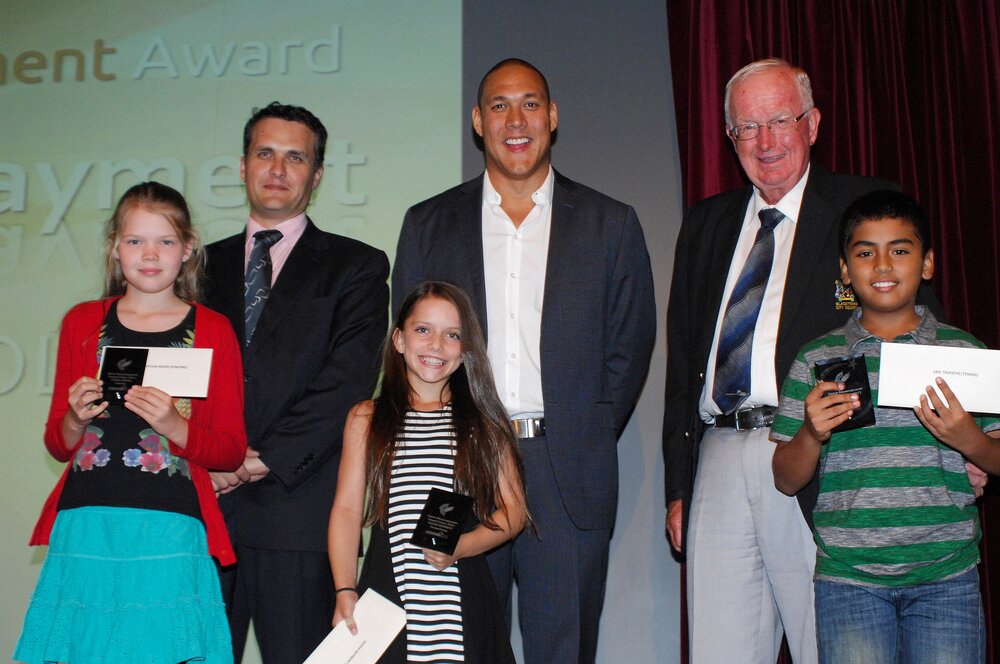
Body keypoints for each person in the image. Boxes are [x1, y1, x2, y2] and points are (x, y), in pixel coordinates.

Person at [661, 58, 948, 663]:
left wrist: (952, 449)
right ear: (730, 138)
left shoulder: (865, 207)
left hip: (826, 457)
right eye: (747, 128)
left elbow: (920, 331)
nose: (765, 142)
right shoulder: (707, 224)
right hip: (718, 456)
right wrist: (678, 486)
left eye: (780, 121)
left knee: (834, 646)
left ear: (812, 123)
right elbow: (683, 363)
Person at [393, 59, 656, 663]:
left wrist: (581, 431)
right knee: (458, 650)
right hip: (455, 463)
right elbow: (410, 344)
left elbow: (629, 347)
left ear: (553, 116)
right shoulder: (428, 223)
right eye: (500, 105)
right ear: (477, 121)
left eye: (531, 103)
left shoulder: (609, 223)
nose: (516, 120)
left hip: (567, 475)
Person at [14, 181, 246, 663]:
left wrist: (175, 426)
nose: (150, 253)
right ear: (114, 248)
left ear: (188, 249)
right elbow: (57, 443)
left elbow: (229, 451)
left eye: (165, 241)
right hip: (88, 518)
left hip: (170, 523)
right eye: (135, 240)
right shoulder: (82, 321)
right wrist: (75, 420)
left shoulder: (213, 328)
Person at [771, 190, 999, 663]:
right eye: (864, 252)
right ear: (844, 270)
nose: (882, 265)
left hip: (946, 574)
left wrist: (968, 439)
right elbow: (785, 478)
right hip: (848, 578)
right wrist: (811, 433)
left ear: (928, 263)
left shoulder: (965, 354)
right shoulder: (816, 359)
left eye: (899, 249)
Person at [203, 102, 389, 662]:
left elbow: (348, 382)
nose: (278, 169)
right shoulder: (193, 268)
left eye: (295, 157)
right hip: (206, 515)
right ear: (242, 167)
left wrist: (257, 459)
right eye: (265, 153)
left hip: (300, 514)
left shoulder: (356, 266)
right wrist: (208, 458)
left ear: (317, 174)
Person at [329, 281, 528, 663]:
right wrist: (344, 590)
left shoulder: (484, 423)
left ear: (465, 350)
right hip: (388, 595)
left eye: (452, 335)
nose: (436, 345)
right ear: (399, 340)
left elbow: (514, 511)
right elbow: (348, 510)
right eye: (423, 330)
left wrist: (461, 547)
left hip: (462, 597)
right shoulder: (366, 418)